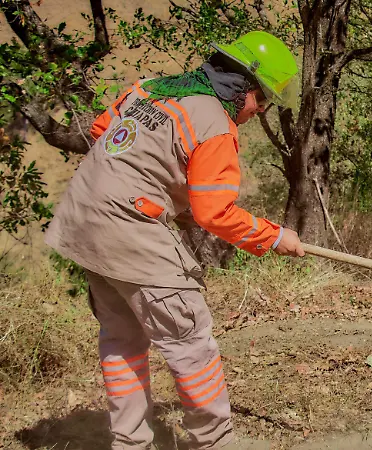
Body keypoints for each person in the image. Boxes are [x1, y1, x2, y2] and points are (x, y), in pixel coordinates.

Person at [45, 31, 303, 450]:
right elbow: (214, 213)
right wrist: (274, 238)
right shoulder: (214, 124)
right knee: (190, 344)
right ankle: (214, 444)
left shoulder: (148, 89)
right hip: (130, 232)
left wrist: (157, 188)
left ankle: (130, 443)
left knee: (122, 337)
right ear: (245, 89)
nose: (260, 110)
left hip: (84, 224)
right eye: (263, 99)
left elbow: (100, 132)